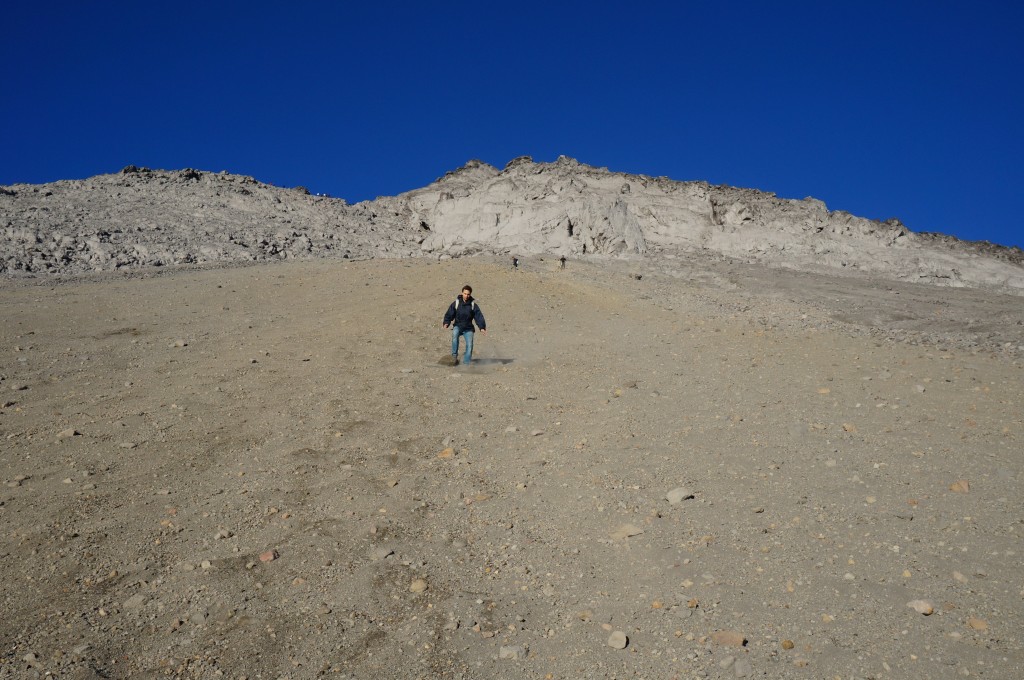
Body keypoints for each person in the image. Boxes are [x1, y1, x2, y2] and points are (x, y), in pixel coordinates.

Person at [442, 285, 487, 366]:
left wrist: (482, 327)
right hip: (458, 326)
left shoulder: (473, 305)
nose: (466, 295)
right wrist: (446, 322)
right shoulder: (456, 303)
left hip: (468, 328)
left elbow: (478, 316)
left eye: (468, 294)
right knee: (454, 335)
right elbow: (449, 313)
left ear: (470, 294)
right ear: (462, 293)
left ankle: (466, 363)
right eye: (465, 293)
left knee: (470, 345)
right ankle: (454, 357)